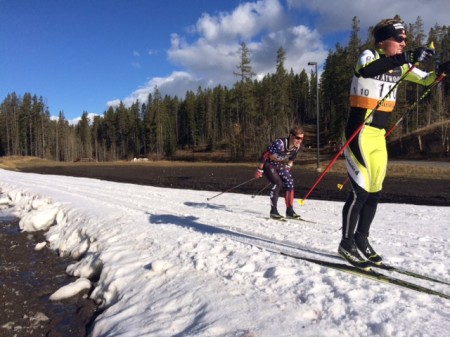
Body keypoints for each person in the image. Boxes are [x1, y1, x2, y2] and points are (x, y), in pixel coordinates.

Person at [339, 18, 450, 269]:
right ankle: (345, 243)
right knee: (360, 191)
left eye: (406, 40)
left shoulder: (402, 65)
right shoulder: (368, 55)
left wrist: (443, 69)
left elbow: (427, 79)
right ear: (383, 41)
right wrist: (408, 56)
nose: (403, 43)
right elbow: (367, 71)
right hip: (359, 132)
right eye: (399, 39)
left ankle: (361, 238)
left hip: (378, 135)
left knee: (375, 191)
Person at [255, 126, 304, 220]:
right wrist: (260, 169)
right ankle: (273, 211)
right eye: (298, 138)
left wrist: (289, 165)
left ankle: (289, 211)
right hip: (268, 164)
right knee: (278, 183)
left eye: (301, 138)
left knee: (290, 182)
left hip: (279, 164)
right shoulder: (279, 144)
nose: (299, 141)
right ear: (291, 136)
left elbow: (291, 158)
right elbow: (265, 155)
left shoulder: (296, 147)